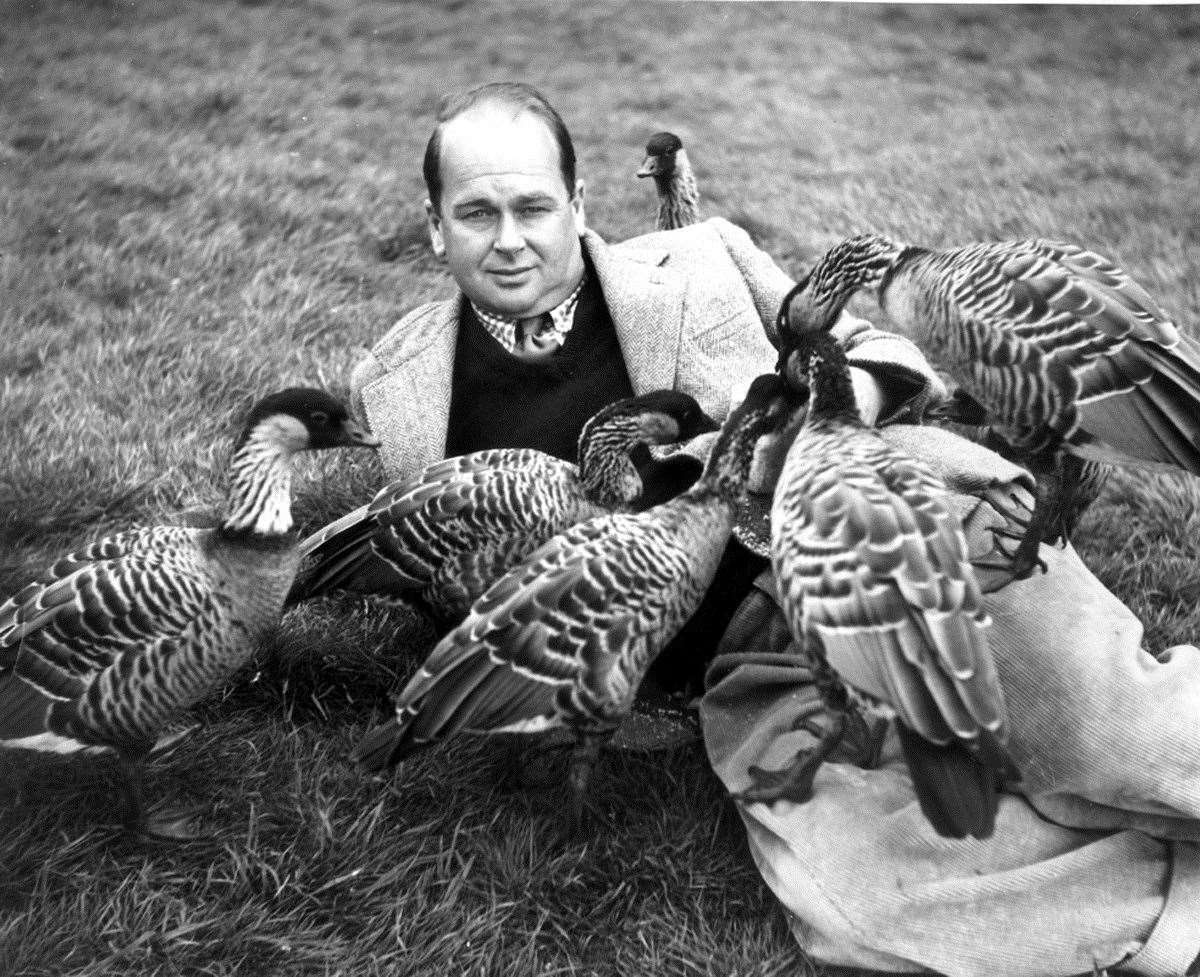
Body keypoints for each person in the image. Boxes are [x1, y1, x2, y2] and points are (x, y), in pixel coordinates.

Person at [349, 82, 1200, 976]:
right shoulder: (403, 383)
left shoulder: (704, 256)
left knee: (1111, 733)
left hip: (883, 528)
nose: (511, 237)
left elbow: (894, 350)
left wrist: (834, 410)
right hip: (743, 660)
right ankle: (1171, 907)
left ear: (579, 205)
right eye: (477, 211)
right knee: (862, 900)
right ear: (437, 225)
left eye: (533, 206)